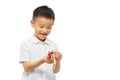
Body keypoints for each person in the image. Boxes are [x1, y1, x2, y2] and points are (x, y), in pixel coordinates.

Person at [19, 5, 62, 80]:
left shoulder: (53, 45)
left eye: (49, 27)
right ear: (32, 23)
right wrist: (43, 60)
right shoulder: (26, 44)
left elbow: (55, 70)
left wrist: (58, 61)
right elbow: (26, 67)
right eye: (41, 26)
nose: (45, 30)